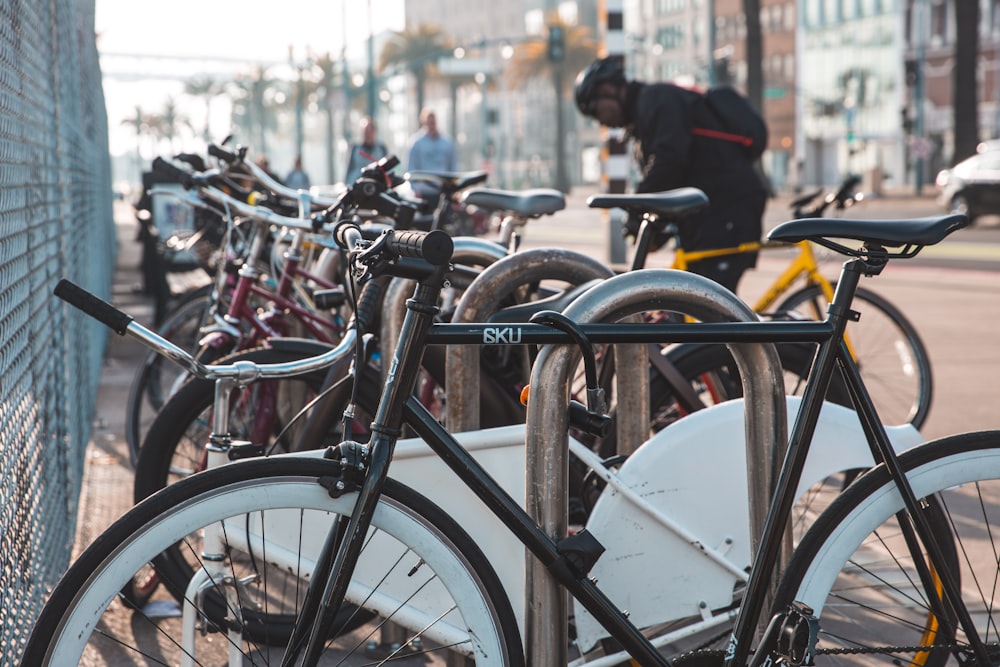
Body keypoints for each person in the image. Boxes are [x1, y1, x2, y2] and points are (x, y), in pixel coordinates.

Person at [574, 57, 768, 293]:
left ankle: (756, 330)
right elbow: (673, 175)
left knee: (712, 308)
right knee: (692, 301)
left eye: (595, 110)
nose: (600, 120)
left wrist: (637, 211)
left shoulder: (657, 100)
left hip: (730, 209)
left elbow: (669, 162)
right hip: (709, 214)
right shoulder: (643, 116)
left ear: (608, 90)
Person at [407, 108, 457, 201]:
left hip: (443, 191)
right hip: (424, 193)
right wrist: (415, 189)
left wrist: (454, 188)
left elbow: (453, 167)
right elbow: (411, 168)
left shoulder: (447, 142)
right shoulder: (417, 143)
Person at [345, 116, 389, 184]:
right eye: (365, 131)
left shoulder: (381, 149)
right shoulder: (355, 148)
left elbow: (387, 171)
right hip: (357, 186)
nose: (367, 134)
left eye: (370, 131)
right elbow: (349, 171)